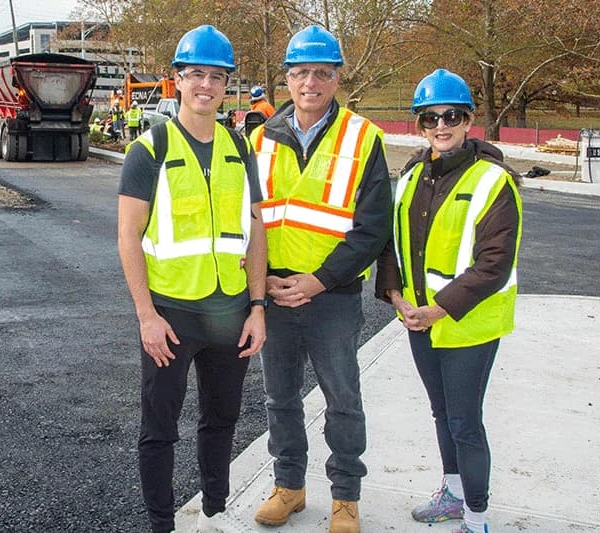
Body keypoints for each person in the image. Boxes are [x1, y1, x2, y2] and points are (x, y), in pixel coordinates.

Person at [117, 24, 267, 533]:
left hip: (230, 311)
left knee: (222, 421)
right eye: (196, 73)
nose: (207, 84)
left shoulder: (240, 148)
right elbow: (128, 237)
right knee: (159, 428)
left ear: (228, 84)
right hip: (172, 314)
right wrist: (146, 316)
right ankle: (162, 524)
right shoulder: (150, 149)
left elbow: (255, 231)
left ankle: (215, 513)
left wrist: (258, 307)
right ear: (177, 79)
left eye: (217, 76)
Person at [248, 25, 392, 532]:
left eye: (323, 73)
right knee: (279, 399)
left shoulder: (363, 137)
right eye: (302, 72)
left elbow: (373, 229)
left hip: (331, 295)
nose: (311, 82)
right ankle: (289, 487)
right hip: (274, 294)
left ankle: (346, 497)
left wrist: (319, 280)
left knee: (342, 401)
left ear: (337, 79)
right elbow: (248, 221)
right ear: (287, 78)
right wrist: (260, 285)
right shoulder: (258, 139)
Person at [375, 69, 522, 533]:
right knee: (442, 413)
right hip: (421, 321)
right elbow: (392, 243)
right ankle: (454, 494)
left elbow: (493, 263)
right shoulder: (413, 173)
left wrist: (437, 309)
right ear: (419, 123)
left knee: (464, 421)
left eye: (452, 116)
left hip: (468, 325)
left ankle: (476, 517)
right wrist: (396, 296)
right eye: (430, 118)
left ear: (469, 119)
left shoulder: (493, 181)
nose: (441, 126)